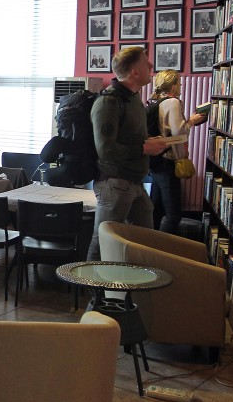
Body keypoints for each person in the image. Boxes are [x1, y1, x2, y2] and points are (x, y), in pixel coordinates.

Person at [86, 47, 170, 270]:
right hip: (113, 183)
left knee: (144, 239)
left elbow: (132, 139)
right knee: (104, 238)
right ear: (134, 72)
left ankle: (135, 291)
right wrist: (144, 147)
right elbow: (106, 150)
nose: (151, 67)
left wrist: (153, 142)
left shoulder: (134, 100)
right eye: (146, 63)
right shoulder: (108, 102)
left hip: (134, 182)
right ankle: (93, 293)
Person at [147, 70, 207, 234]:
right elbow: (179, 132)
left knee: (156, 210)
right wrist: (192, 121)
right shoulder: (173, 102)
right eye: (179, 83)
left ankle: (150, 245)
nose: (180, 86)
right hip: (167, 162)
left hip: (157, 161)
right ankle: (163, 250)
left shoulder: (158, 102)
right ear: (173, 85)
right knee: (173, 214)